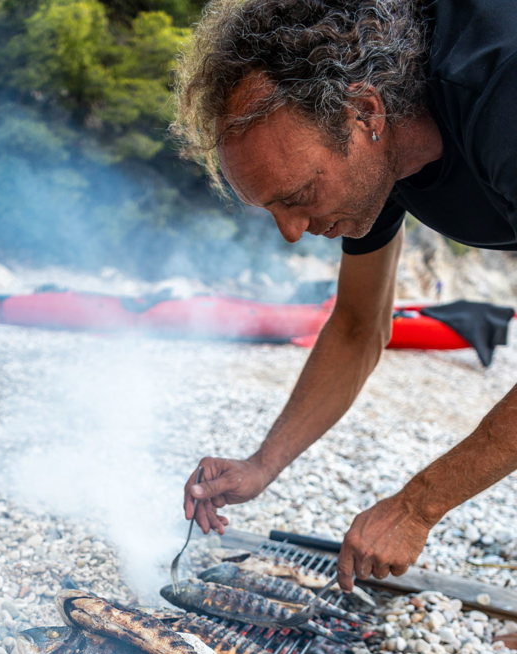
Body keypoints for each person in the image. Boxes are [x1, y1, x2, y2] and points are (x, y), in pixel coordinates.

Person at [173, 0, 517, 590]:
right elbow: (358, 325)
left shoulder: (499, 91)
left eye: (298, 195)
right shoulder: (381, 152)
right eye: (272, 208)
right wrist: (262, 463)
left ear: (365, 113)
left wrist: (418, 505)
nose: (291, 231)